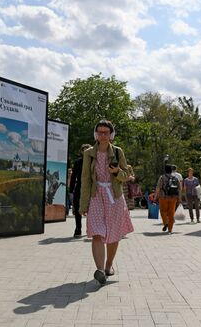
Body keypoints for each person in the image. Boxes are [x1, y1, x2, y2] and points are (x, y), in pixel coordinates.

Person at [80, 120, 134, 285]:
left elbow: (126, 175)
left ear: (111, 135)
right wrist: (83, 204)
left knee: (113, 233)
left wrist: (117, 171)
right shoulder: (89, 153)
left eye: (106, 133)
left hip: (114, 197)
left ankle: (109, 265)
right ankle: (100, 270)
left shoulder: (118, 152)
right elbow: (85, 179)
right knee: (97, 232)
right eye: (100, 132)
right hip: (96, 196)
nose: (103, 136)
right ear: (96, 134)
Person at [69, 144, 92, 238]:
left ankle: (91, 229)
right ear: (82, 152)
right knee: (78, 208)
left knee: (92, 209)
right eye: (84, 150)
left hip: (91, 187)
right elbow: (73, 176)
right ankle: (78, 228)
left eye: (87, 150)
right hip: (79, 187)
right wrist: (71, 190)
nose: (85, 152)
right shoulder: (78, 162)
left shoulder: (94, 161)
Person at [154, 164, 182, 234]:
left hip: (163, 197)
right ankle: (170, 229)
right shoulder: (175, 178)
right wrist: (179, 198)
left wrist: (155, 197)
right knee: (171, 213)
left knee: (163, 211)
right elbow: (179, 189)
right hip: (173, 198)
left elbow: (158, 188)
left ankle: (166, 222)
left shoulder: (162, 177)